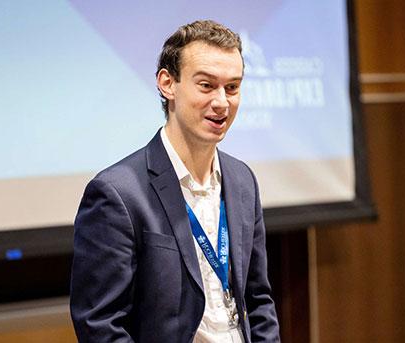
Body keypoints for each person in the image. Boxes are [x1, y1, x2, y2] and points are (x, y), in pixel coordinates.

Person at [70, 20, 280, 343]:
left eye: (233, 87)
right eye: (207, 86)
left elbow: (259, 302)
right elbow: (100, 325)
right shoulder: (118, 194)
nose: (222, 102)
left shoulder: (242, 182)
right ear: (167, 84)